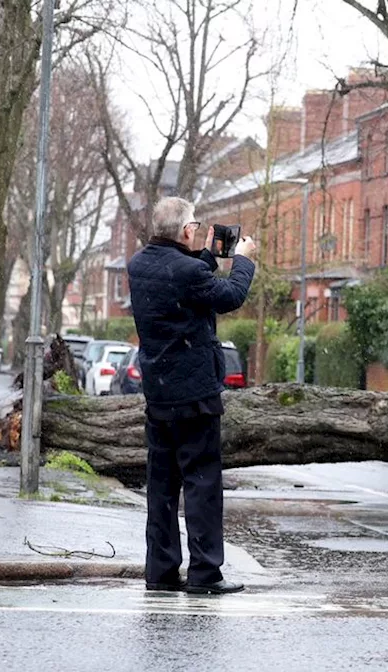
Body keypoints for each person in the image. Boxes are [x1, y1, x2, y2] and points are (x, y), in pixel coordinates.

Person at [127, 197, 257, 595]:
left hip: (159, 394)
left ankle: (161, 572)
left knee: (162, 486)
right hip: (196, 395)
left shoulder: (138, 265)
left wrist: (206, 255)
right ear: (185, 231)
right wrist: (244, 260)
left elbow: (180, 273)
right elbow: (230, 296)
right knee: (202, 484)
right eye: (195, 227)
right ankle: (204, 574)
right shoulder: (185, 271)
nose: (198, 231)